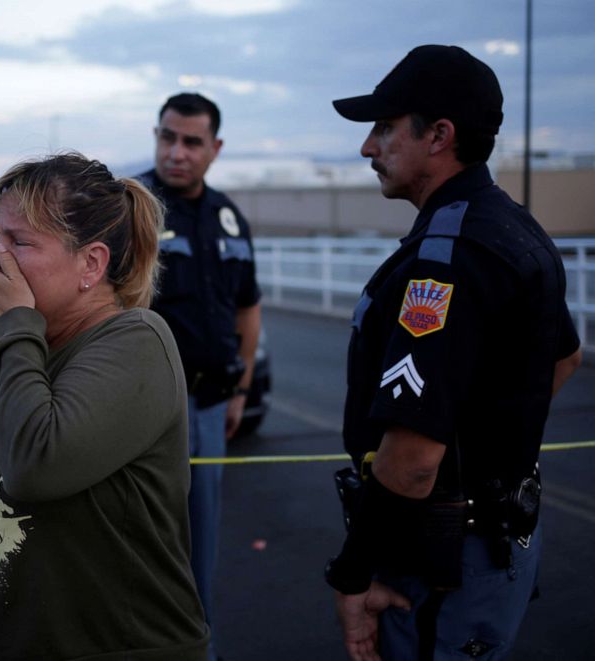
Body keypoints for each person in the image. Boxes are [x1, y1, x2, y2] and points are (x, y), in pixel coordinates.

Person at [0, 152, 209, 660]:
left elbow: (37, 465)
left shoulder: (136, 342)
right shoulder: (24, 352)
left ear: (91, 264)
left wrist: (13, 324)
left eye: (20, 242)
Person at [324, 45, 583, 660]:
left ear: (440, 135)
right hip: (492, 542)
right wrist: (489, 446)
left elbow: (413, 459)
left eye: (385, 128)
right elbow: (562, 358)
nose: (368, 148)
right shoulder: (512, 225)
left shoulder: (447, 259)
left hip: (445, 563)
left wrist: (354, 575)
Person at [137, 92, 262, 645]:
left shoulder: (229, 218)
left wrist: (241, 388)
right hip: (144, 411)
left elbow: (247, 307)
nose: (177, 152)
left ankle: (196, 647)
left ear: (215, 148)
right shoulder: (128, 207)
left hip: (210, 405)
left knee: (201, 541)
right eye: (168, 137)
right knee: (141, 542)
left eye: (191, 142)